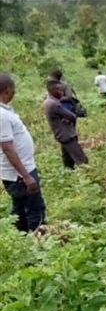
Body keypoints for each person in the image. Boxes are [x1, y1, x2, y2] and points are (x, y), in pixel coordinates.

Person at [0, 73, 46, 232]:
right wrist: (26, 176)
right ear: (7, 90)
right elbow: (7, 147)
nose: (15, 92)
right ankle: (37, 243)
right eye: (13, 89)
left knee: (20, 208)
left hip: (19, 171)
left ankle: (22, 240)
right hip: (20, 174)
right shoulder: (1, 115)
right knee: (34, 209)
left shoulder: (5, 111)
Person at [43, 80, 88, 169]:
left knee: (67, 161)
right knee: (82, 160)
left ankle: (68, 175)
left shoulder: (48, 101)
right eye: (59, 90)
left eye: (62, 90)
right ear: (52, 90)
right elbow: (72, 116)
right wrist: (72, 115)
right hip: (67, 135)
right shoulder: (54, 104)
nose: (62, 92)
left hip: (60, 134)